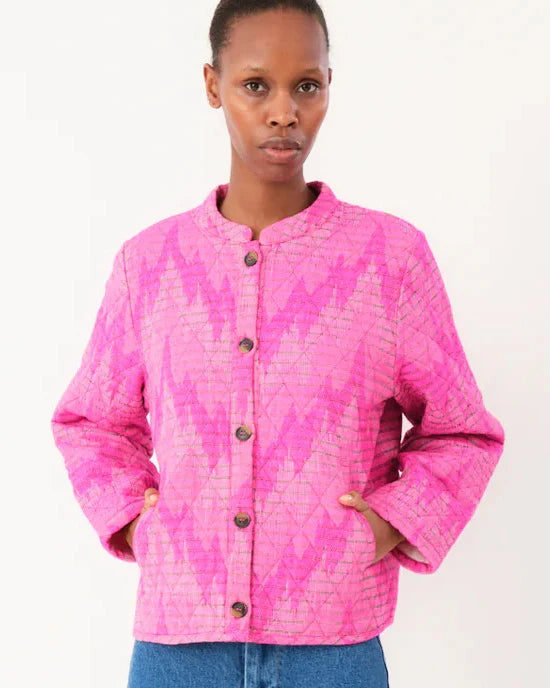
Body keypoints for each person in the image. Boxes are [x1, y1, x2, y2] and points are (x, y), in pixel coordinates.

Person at [50, 1, 506, 687]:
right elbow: (91, 422)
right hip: (179, 649)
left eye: (306, 86)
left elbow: (462, 432)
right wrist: (137, 524)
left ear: (328, 89)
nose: (284, 112)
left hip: (334, 647)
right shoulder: (149, 265)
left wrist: (386, 525)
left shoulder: (389, 260)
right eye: (256, 85)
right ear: (213, 85)